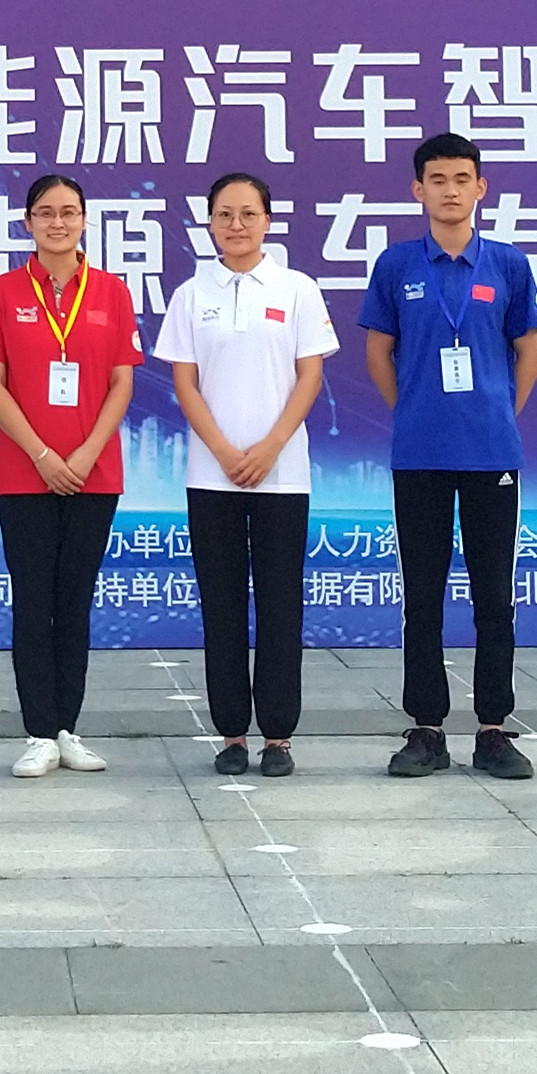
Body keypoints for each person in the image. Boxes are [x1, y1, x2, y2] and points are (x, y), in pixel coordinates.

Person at [359, 132, 537, 781]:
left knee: (494, 595)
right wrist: (414, 409)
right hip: (420, 454)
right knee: (423, 595)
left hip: (491, 452)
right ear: (418, 189)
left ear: (480, 188)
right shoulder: (396, 265)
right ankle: (426, 728)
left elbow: (530, 353)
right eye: (437, 179)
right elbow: (378, 354)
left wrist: (496, 411)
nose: (450, 190)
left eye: (462, 178)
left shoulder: (509, 264)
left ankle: (493, 728)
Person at [158, 172, 335, 778]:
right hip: (212, 476)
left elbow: (309, 375)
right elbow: (185, 382)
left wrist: (270, 446)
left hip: (282, 474)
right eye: (224, 215)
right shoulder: (191, 294)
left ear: (268, 220)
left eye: (248, 214)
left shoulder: (297, 289)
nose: (236, 225)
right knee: (223, 605)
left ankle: (278, 736)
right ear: (209, 222)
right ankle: (232, 732)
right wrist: (225, 451)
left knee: (282, 604)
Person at [0, 173, 141, 779]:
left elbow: (122, 381)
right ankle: (39, 732)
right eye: (45, 213)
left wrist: (87, 453)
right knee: (33, 600)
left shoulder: (112, 292)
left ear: (85, 220)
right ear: (28, 223)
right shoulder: (2, 292)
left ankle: (69, 727)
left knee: (75, 601)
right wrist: (42, 454)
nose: (58, 222)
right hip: (24, 473)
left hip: (95, 473)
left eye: (69, 212)